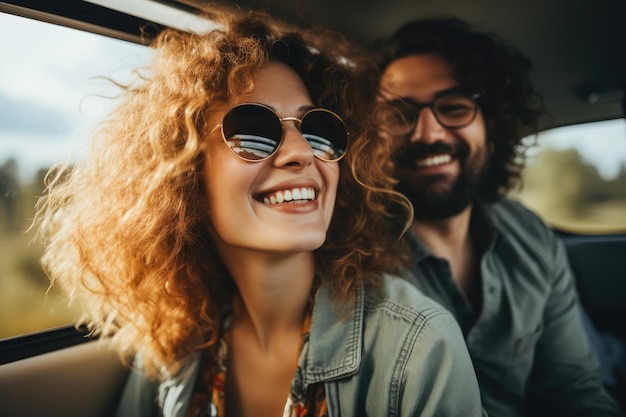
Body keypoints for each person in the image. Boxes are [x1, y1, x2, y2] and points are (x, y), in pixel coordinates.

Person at [35, 10, 485, 417]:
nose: (301, 152)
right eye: (252, 131)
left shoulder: (418, 344)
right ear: (184, 175)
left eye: (319, 130)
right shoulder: (179, 346)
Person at [373, 17, 625, 416]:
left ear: (492, 124)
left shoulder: (530, 235)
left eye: (454, 107)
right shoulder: (354, 258)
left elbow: (574, 388)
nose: (427, 132)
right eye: (400, 114)